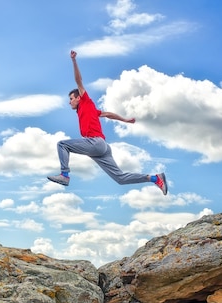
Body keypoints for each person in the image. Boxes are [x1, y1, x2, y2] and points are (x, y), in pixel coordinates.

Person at [47, 50, 168, 195]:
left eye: (71, 99)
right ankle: (155, 178)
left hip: (96, 143)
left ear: (79, 97)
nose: (69, 102)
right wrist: (125, 120)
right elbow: (108, 114)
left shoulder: (86, 101)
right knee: (120, 178)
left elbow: (78, 81)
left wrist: (74, 61)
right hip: (102, 149)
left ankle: (65, 175)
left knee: (62, 144)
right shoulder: (91, 110)